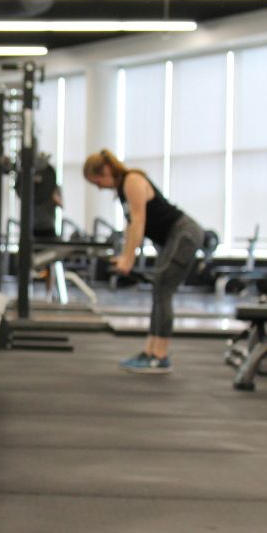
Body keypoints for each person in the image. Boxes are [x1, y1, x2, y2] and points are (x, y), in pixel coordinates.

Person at [83, 149, 205, 374]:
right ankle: (150, 351)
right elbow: (131, 226)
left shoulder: (132, 180)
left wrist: (129, 259)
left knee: (163, 289)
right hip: (171, 238)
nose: (99, 187)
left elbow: (139, 221)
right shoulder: (122, 189)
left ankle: (160, 355)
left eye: (97, 181)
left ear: (106, 170)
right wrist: (125, 255)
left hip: (184, 234)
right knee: (159, 289)